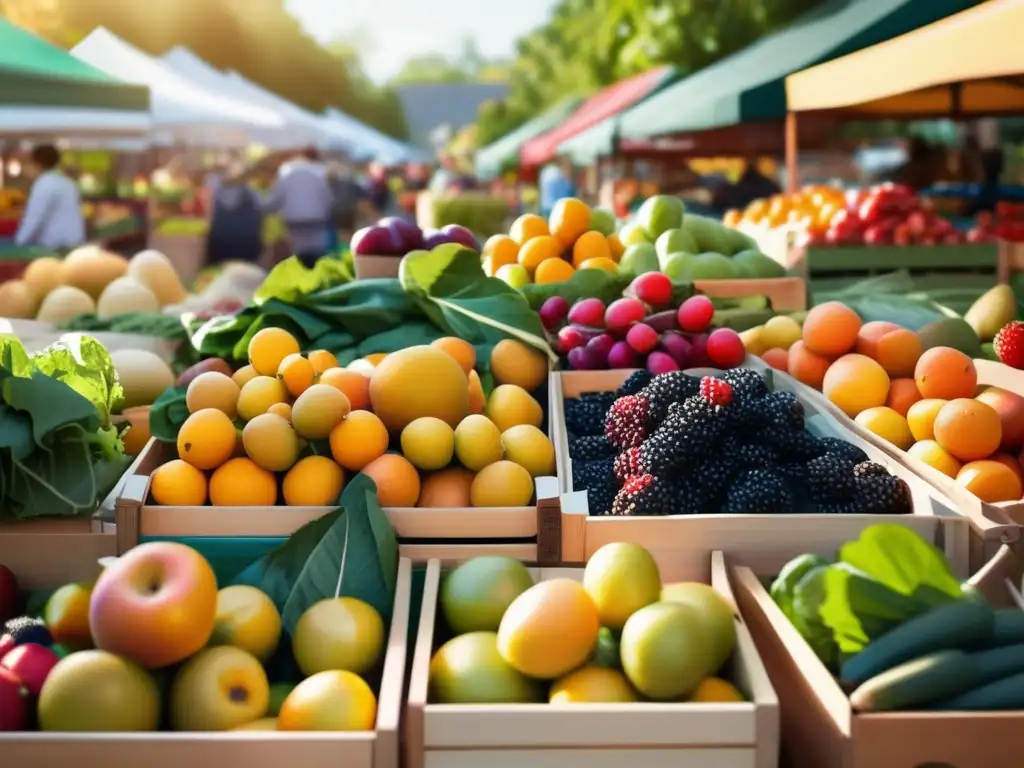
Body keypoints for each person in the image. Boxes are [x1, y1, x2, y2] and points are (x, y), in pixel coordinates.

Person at [263, 147, 335, 267]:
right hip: (317, 217)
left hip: (294, 217)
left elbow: (277, 197)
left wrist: (267, 208)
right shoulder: (319, 171)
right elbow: (327, 197)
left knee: (298, 254)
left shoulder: (286, 170)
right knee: (317, 252)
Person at [15, 144, 85, 250]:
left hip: (54, 246)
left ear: (36, 163)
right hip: (75, 242)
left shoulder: (44, 184)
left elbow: (34, 219)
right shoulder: (69, 183)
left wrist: (18, 244)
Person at [205, 163, 264, 266]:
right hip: (247, 245)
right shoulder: (251, 193)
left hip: (221, 244)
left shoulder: (218, 193)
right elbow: (264, 208)